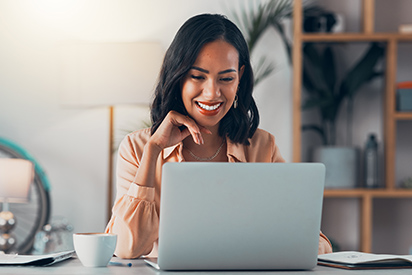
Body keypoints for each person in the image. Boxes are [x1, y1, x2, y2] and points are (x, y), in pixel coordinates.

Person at [105, 13, 332, 259]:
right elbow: (127, 248)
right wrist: (154, 150)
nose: (212, 93)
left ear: (240, 77)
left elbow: (314, 242)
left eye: (226, 79)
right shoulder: (138, 148)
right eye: (198, 76)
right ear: (178, 75)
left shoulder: (261, 146)